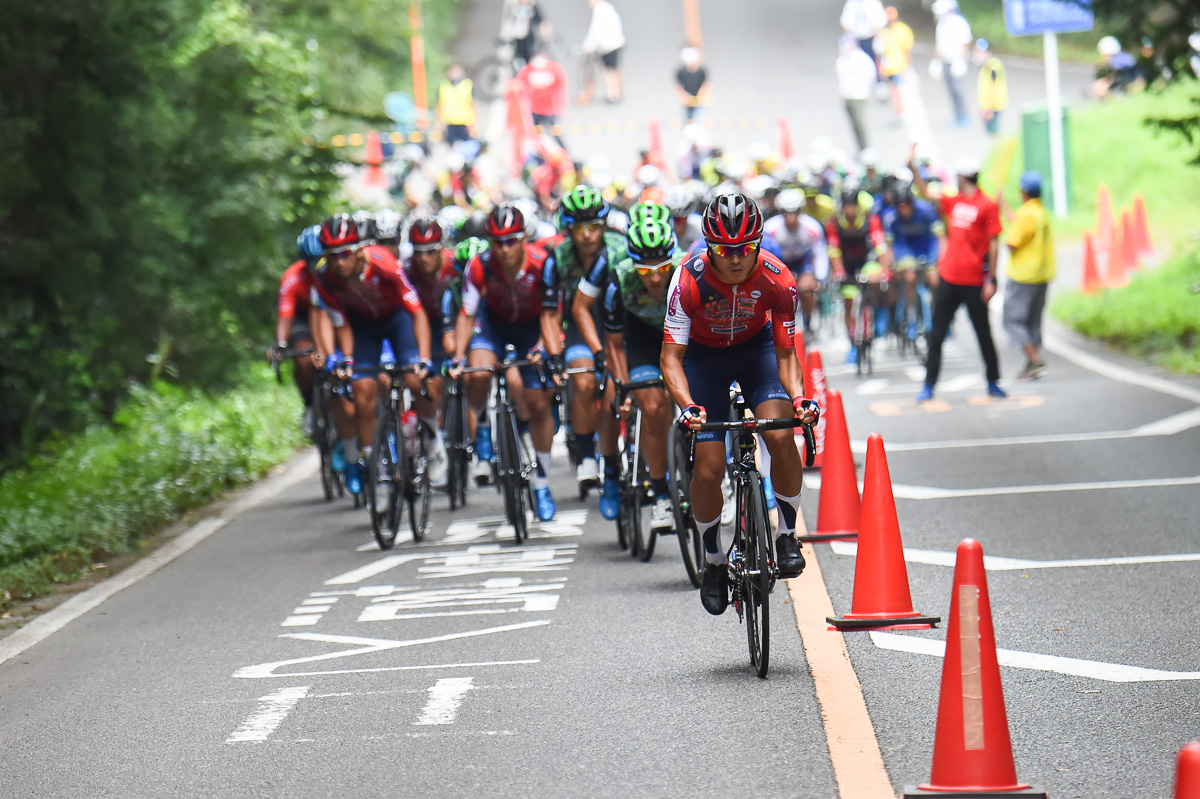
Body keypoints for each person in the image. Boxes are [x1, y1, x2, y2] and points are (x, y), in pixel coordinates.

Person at [660, 194, 818, 616]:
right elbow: (670, 359)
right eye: (724, 250)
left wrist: (800, 398)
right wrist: (687, 405)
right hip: (702, 361)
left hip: (756, 353)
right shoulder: (686, 279)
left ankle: (786, 534)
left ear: (759, 243)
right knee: (709, 467)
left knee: (781, 433)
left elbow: (786, 355)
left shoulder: (778, 277)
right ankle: (713, 562)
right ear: (708, 245)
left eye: (745, 249)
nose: (734, 259)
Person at [313, 215, 436, 497]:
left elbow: (417, 313)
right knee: (361, 391)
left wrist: (425, 357)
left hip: (397, 321)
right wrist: (343, 359)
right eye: (331, 256)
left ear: (359, 250)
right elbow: (339, 323)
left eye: (344, 254)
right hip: (362, 327)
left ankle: (431, 437)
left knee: (415, 380)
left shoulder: (384, 262)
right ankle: (376, 471)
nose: (339, 262)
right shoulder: (325, 278)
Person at [450, 205, 559, 520]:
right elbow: (467, 314)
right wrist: (458, 356)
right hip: (493, 324)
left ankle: (541, 482)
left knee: (538, 403)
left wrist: (543, 347)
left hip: (532, 327)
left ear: (523, 237)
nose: (505, 248)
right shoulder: (479, 266)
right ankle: (483, 428)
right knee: (479, 369)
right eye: (497, 242)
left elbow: (553, 314)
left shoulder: (543, 263)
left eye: (511, 240)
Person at [541, 186, 626, 517]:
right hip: (581, 323)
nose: (588, 235)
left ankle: (616, 466)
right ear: (567, 229)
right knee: (584, 379)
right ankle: (588, 456)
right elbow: (549, 313)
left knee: (613, 398)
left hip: (619, 324)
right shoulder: (557, 257)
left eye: (594, 227)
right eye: (579, 229)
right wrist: (553, 353)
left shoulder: (620, 249)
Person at [597, 215, 683, 534]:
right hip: (641, 343)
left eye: (662, 267)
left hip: (681, 338)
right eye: (645, 270)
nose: (656, 277)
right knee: (653, 406)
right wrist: (622, 388)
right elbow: (615, 347)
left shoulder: (685, 273)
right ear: (633, 265)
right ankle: (661, 492)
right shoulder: (618, 282)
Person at [908, 146, 1005, 400]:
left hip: (974, 281)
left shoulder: (987, 205)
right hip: (949, 278)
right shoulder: (955, 201)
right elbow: (926, 193)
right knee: (936, 335)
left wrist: (991, 280)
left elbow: (994, 243)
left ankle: (993, 381)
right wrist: (913, 168)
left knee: (983, 333)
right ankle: (929, 385)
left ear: (963, 177)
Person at [826, 182, 890, 362]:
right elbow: (833, 250)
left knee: (875, 280)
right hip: (847, 264)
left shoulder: (871, 220)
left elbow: (880, 246)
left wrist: (885, 269)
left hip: (867, 261)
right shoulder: (834, 223)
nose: (850, 210)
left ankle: (876, 316)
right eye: (846, 206)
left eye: (853, 205)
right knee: (848, 302)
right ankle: (853, 340)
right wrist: (838, 271)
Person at [1002, 171, 1055, 380]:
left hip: (1023, 276)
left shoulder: (1026, 214)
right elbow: (1021, 227)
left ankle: (1034, 359)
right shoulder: (1040, 212)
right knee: (1033, 320)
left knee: (1012, 320)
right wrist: (1004, 207)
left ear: (1023, 191)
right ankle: (1032, 363)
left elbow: (1012, 242)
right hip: (1041, 275)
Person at [272, 226, 323, 435]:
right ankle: (310, 404)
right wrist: (281, 344)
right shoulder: (292, 277)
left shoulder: (338, 271)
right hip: (302, 317)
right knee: (303, 357)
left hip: (329, 313)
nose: (315, 268)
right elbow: (285, 316)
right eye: (309, 263)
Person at [881, 183, 943, 338]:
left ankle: (939, 314)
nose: (904, 209)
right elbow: (889, 245)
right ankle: (912, 316)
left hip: (927, 247)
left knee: (935, 279)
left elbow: (941, 238)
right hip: (905, 248)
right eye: (899, 206)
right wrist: (891, 264)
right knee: (909, 277)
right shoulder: (890, 217)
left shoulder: (927, 210)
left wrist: (939, 260)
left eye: (907, 205)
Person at [765, 188, 829, 332]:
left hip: (802, 261)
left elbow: (819, 253)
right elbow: (765, 256)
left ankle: (808, 322)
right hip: (780, 262)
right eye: (786, 213)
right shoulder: (770, 228)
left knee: (806, 289)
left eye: (795, 212)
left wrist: (820, 277)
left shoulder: (812, 227)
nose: (791, 217)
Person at [514, 47, 569, 146]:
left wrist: (562, 106)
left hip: (551, 109)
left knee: (555, 133)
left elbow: (561, 87)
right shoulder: (528, 70)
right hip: (535, 109)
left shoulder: (554, 68)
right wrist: (523, 101)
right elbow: (518, 85)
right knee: (537, 135)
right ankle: (541, 154)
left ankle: (565, 154)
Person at [932, 0, 972, 128]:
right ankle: (956, 116)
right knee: (950, 90)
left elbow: (965, 43)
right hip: (945, 61)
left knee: (958, 90)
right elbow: (938, 44)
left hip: (956, 61)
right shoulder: (940, 24)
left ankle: (964, 116)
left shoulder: (959, 23)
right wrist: (936, 61)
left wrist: (961, 61)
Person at [837, 36, 878, 153]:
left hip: (859, 95)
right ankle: (859, 148)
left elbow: (871, 76)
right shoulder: (841, 60)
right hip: (846, 95)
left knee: (860, 123)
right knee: (853, 124)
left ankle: (866, 148)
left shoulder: (862, 59)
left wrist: (867, 91)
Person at [582, 0, 625, 103]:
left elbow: (596, 30)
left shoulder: (599, 10)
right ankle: (617, 91)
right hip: (615, 42)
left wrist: (589, 45)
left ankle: (613, 94)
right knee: (614, 68)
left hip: (608, 45)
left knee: (608, 70)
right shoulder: (607, 7)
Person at [879, 7, 914, 121]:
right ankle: (898, 114)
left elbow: (907, 49)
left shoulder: (903, 30)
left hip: (899, 67)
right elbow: (881, 52)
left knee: (899, 92)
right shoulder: (885, 32)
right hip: (889, 67)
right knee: (894, 92)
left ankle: (902, 114)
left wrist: (906, 66)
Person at [840, 0, 888, 79]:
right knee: (856, 62)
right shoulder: (852, 3)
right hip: (856, 39)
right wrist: (847, 39)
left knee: (873, 60)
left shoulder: (873, 3)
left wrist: (877, 38)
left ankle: (876, 80)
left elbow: (879, 21)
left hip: (870, 38)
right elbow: (846, 21)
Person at [500, 0, 551, 66]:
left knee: (529, 59)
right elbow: (508, 20)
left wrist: (546, 33)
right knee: (516, 59)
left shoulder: (532, 7)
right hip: (516, 38)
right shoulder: (514, 7)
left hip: (528, 39)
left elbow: (541, 22)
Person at [437, 64, 476, 145]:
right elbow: (439, 105)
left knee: (466, 146)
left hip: (464, 122)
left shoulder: (467, 85)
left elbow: (473, 104)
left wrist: (473, 123)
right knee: (449, 146)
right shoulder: (444, 86)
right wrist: (439, 122)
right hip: (449, 122)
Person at [975, 39, 1007, 136]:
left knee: (993, 133)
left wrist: (989, 109)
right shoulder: (987, 65)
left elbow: (994, 89)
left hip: (993, 107)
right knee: (991, 132)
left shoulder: (992, 66)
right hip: (989, 106)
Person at [675, 46, 710, 122]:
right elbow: (678, 89)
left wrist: (700, 97)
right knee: (690, 119)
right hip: (687, 103)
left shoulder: (701, 72)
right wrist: (686, 99)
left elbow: (706, 87)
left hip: (699, 102)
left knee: (699, 117)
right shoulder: (681, 73)